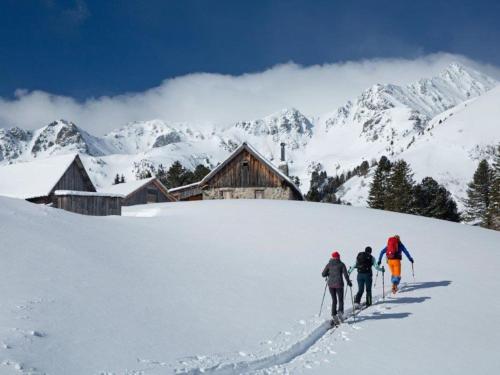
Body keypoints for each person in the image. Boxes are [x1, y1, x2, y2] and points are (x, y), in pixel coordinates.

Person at [322, 251, 352, 325]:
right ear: (339, 257)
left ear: (332, 257)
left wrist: (328, 273)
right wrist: (349, 282)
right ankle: (340, 312)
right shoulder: (341, 264)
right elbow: (345, 274)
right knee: (340, 299)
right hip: (339, 284)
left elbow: (323, 274)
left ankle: (334, 314)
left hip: (331, 285)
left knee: (334, 300)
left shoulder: (329, 264)